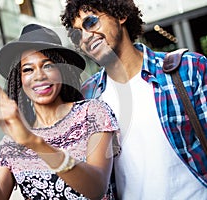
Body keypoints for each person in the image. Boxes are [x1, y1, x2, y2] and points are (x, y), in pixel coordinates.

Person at [0, 23, 120, 199]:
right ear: (20, 79)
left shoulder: (92, 114)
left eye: (48, 65)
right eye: (28, 69)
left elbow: (96, 187)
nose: (39, 76)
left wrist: (33, 141)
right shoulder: (12, 143)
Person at [61, 0, 207, 199]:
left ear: (120, 15)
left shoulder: (188, 69)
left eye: (91, 22)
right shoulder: (87, 97)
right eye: (77, 33)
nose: (85, 37)